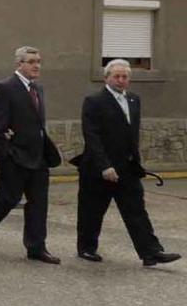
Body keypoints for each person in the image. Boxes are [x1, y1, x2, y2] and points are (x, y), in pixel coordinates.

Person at [71, 59, 181, 267]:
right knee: (91, 211)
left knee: (136, 210)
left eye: (125, 77)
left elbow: (131, 135)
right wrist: (104, 166)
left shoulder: (133, 100)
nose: (121, 80)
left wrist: (135, 161)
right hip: (98, 168)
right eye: (116, 76)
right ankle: (86, 248)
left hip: (127, 168)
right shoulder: (94, 101)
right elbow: (91, 136)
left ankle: (151, 252)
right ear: (107, 78)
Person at [0, 46, 62, 264]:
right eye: (31, 61)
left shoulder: (37, 89)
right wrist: (6, 153)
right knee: (7, 199)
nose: (36, 65)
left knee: (39, 203)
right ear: (19, 64)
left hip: (38, 156)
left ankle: (36, 247)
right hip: (15, 156)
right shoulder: (5, 87)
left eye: (38, 61)